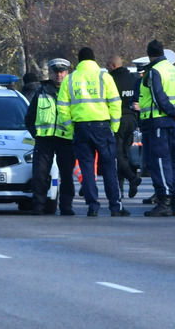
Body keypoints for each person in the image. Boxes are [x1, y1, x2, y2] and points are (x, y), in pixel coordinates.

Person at [57, 47, 127, 217]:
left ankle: (93, 206)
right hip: (102, 127)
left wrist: (70, 127)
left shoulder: (70, 79)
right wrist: (115, 127)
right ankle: (115, 207)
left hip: (80, 128)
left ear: (79, 60)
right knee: (110, 167)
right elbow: (116, 103)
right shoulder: (105, 77)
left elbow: (62, 107)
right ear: (94, 59)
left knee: (87, 168)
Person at [137, 40, 175, 217]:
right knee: (172, 162)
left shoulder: (154, 71)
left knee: (159, 162)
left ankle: (164, 201)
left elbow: (158, 96)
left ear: (149, 53)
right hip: (172, 123)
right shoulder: (174, 70)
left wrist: (172, 112)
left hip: (158, 121)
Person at [24, 57, 76, 215]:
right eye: (56, 72)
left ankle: (66, 207)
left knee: (67, 175)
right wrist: (36, 134)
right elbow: (29, 117)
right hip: (44, 140)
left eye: (62, 72)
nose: (59, 75)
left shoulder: (73, 92)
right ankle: (39, 206)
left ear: (67, 73)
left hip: (66, 140)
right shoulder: (41, 91)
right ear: (51, 74)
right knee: (40, 174)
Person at [106, 55, 143, 199]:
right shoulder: (133, 80)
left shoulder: (111, 80)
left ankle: (130, 179)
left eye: (108, 66)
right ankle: (123, 187)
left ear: (113, 66)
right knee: (124, 155)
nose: (107, 69)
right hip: (132, 120)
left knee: (116, 154)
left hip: (117, 121)